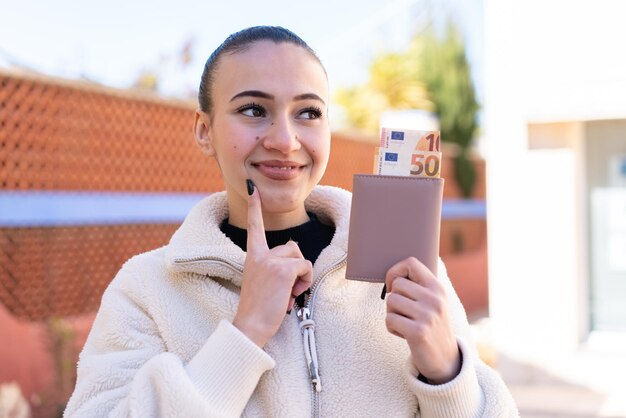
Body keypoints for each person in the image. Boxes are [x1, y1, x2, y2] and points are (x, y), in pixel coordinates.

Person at [65, 26, 518, 417]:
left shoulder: (407, 267)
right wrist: (242, 337)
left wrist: (446, 372)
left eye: (308, 113)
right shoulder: (146, 289)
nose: (285, 140)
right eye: (253, 110)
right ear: (205, 131)